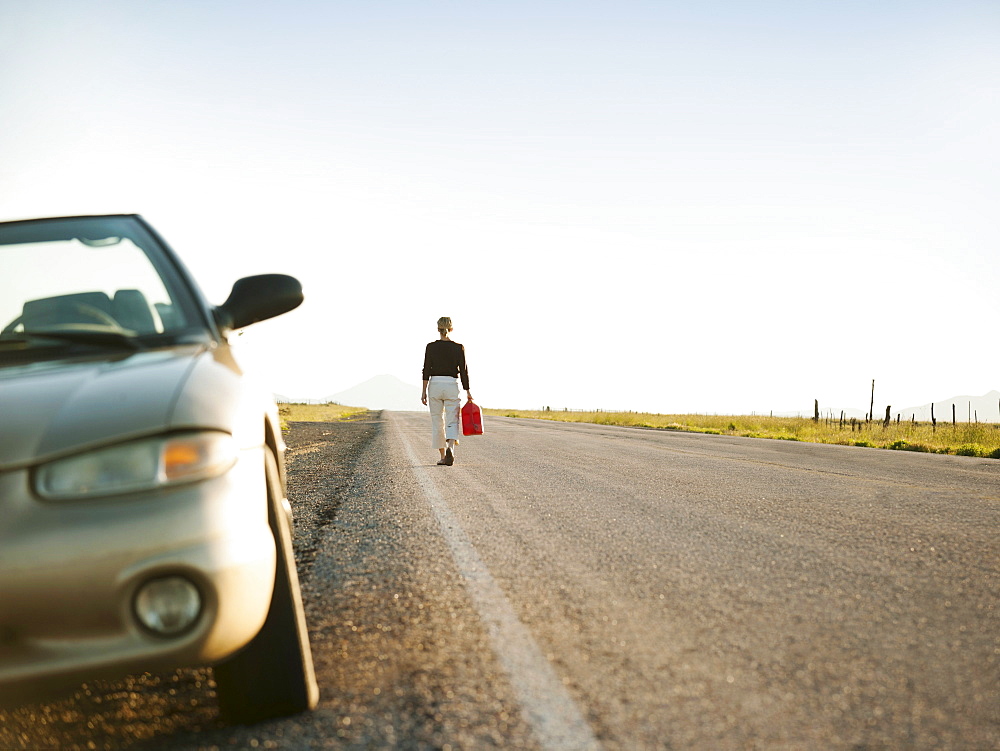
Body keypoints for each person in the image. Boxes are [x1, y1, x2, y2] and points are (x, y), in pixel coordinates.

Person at [421, 316, 473, 465]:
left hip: (435, 384)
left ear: (438, 329)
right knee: (452, 419)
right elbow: (463, 371)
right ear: (451, 329)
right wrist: (468, 391)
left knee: (437, 421)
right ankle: (450, 446)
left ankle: (443, 456)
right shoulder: (458, 347)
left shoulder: (430, 347)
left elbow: (426, 370)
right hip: (451, 385)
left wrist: (424, 391)